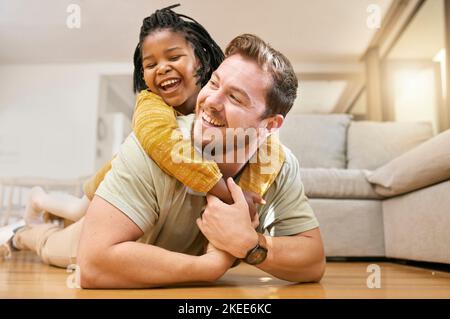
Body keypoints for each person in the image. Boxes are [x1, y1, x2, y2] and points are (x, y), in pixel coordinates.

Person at [76, 34, 325, 288]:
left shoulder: (278, 164)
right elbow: (91, 265)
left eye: (235, 98)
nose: (211, 102)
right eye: (214, 84)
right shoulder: (157, 144)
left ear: (270, 125)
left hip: (134, 250)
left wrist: (251, 244)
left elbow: (314, 262)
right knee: (51, 244)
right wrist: (209, 267)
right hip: (96, 231)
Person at [23, 4, 283, 228]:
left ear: (201, 62)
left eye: (174, 56)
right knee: (77, 212)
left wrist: (248, 194)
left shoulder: (215, 94)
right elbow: (164, 143)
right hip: (114, 179)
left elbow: (266, 141)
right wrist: (228, 194)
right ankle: (39, 199)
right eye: (150, 64)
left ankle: (47, 219)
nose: (162, 68)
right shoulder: (150, 102)